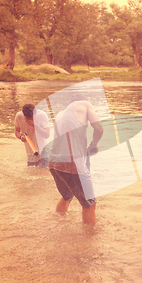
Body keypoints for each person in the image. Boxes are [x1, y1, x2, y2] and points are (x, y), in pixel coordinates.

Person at [48, 94, 103, 224]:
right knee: (89, 203)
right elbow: (99, 129)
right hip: (71, 164)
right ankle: (89, 241)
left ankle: (59, 224)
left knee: (67, 196)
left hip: (53, 163)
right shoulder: (85, 104)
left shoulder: (61, 114)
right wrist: (93, 144)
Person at [14, 104, 50, 168]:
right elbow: (16, 131)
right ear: (24, 115)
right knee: (31, 176)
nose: (31, 120)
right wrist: (20, 137)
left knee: (44, 176)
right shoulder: (19, 116)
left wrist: (35, 125)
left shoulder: (42, 115)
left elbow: (47, 135)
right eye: (28, 119)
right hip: (30, 155)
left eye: (33, 117)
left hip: (44, 154)